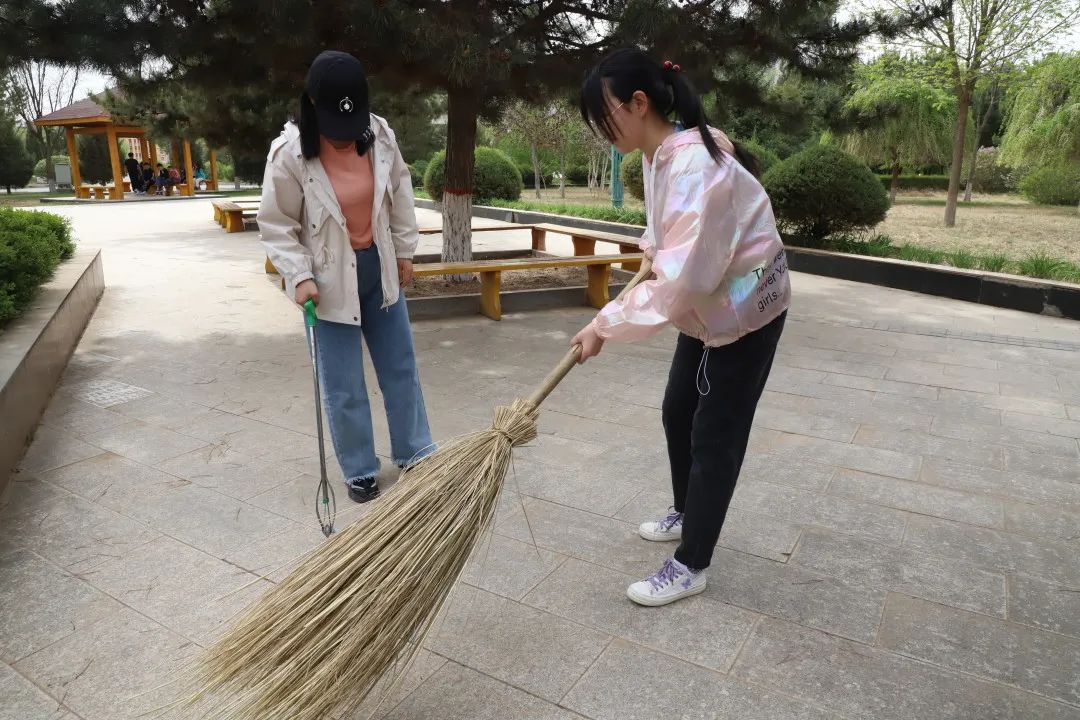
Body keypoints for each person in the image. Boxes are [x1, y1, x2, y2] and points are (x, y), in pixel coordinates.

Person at [572, 49, 790, 607]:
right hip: (708, 300)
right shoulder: (658, 155)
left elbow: (683, 281)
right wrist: (652, 247)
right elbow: (669, 233)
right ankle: (687, 511)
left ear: (638, 103)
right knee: (678, 411)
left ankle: (693, 563)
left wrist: (604, 325)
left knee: (715, 435)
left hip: (746, 305)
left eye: (603, 116)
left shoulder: (696, 166)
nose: (600, 130)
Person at [258, 50, 433, 504]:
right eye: (335, 128)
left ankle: (414, 450)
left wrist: (405, 250)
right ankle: (359, 469)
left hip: (379, 266)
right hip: (327, 280)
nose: (344, 139)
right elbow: (276, 224)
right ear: (313, 106)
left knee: (400, 367)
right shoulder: (289, 154)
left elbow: (400, 191)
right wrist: (298, 275)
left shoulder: (380, 135)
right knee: (344, 383)